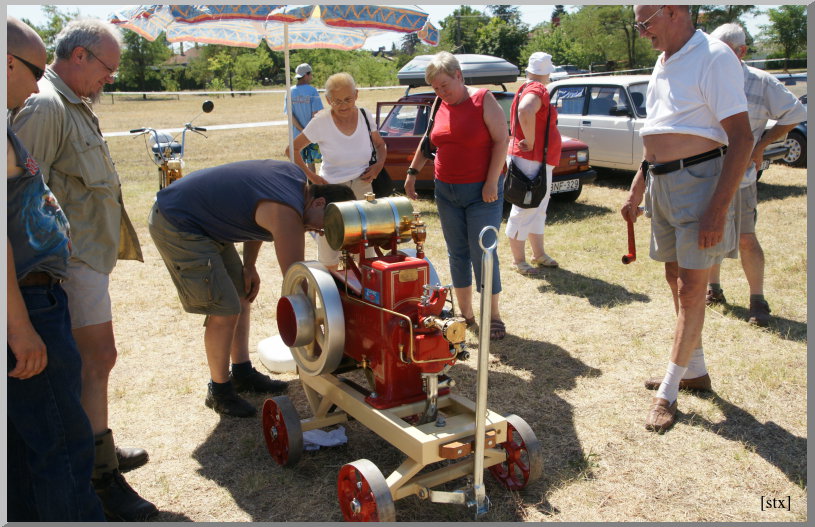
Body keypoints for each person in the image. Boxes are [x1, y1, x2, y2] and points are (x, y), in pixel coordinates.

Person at [11, 18, 157, 520]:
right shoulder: (46, 105)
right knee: (93, 362)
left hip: (83, 261)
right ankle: (98, 475)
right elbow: (24, 197)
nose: (109, 79)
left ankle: (96, 449)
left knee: (91, 364)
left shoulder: (69, 102)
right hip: (63, 268)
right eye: (106, 69)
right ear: (78, 56)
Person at [621, 6, 754, 434]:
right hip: (662, 185)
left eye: (646, 23)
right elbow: (660, 129)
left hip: (700, 185)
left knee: (694, 289)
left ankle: (669, 391)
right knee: (675, 278)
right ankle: (693, 370)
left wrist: (718, 207)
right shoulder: (663, 64)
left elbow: (743, 137)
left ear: (674, 12)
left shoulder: (714, 56)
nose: (642, 33)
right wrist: (638, 185)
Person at [148, 160, 355, 418]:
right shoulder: (288, 213)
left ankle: (242, 373)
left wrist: (249, 266)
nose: (320, 232)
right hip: (179, 222)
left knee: (241, 295)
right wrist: (321, 330)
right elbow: (297, 282)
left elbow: (255, 218)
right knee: (224, 309)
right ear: (319, 203)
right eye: (324, 225)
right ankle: (219, 392)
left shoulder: (293, 183)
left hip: (206, 221)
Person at [6, 17, 105, 522]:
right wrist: (20, 326)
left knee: (26, 447)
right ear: (7, 63)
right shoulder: (38, 107)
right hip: (26, 299)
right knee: (63, 444)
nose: (37, 83)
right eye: (35, 70)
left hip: (31, 294)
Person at [705, 23, 807, 327]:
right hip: (705, 175)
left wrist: (761, 144)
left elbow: (796, 114)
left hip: (741, 178)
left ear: (742, 51)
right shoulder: (707, 78)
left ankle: (757, 300)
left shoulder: (761, 82)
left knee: (746, 238)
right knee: (708, 236)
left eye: (722, 53)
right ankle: (713, 289)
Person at [404, 51, 509, 340]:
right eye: (436, 88)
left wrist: (490, 182)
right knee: (457, 253)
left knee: (484, 252)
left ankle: (493, 316)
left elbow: (502, 141)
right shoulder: (439, 103)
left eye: (444, 86)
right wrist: (412, 174)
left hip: (482, 192)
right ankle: (467, 314)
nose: (440, 92)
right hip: (446, 191)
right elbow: (428, 142)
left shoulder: (483, 100)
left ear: (459, 76)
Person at [289, 72, 387, 270]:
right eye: (336, 101)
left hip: (362, 184)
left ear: (356, 95)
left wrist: (378, 166)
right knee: (330, 245)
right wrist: (312, 176)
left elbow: (380, 145)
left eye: (348, 99)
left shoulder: (365, 115)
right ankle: (331, 292)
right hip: (331, 188)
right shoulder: (321, 121)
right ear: (328, 100)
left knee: (366, 243)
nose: (343, 106)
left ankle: (366, 291)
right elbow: (292, 150)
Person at [505, 51, 563, 276]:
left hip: (537, 159)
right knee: (525, 207)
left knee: (537, 207)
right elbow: (525, 110)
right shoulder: (537, 89)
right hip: (531, 159)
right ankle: (518, 260)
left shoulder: (527, 87)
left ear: (529, 70)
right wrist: (529, 140)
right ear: (546, 72)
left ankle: (538, 254)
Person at [284, 63, 323, 173]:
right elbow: (316, 114)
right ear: (306, 75)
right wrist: (307, 131)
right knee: (311, 165)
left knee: (297, 165)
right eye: (310, 74)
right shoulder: (312, 91)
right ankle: (312, 188)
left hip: (296, 135)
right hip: (311, 134)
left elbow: (290, 116)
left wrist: (301, 130)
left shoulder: (289, 91)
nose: (311, 77)